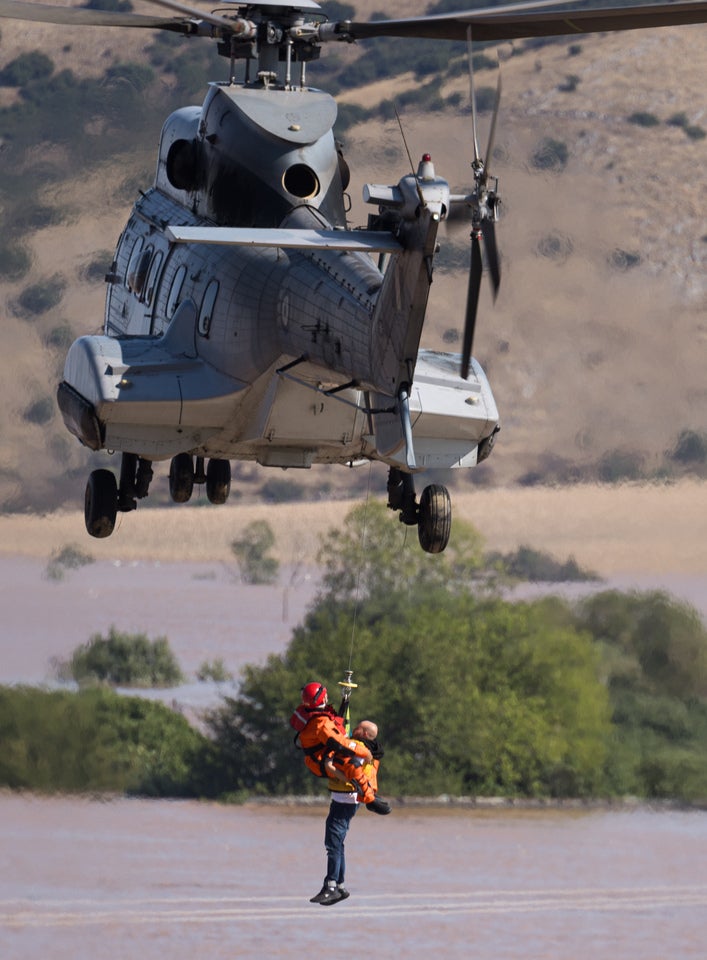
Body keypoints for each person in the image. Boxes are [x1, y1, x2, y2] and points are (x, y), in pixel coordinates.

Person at [309, 719, 388, 906]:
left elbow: (352, 774)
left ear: (366, 734)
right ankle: (340, 886)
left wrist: (331, 768)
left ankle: (331, 886)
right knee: (338, 843)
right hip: (344, 799)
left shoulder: (359, 749)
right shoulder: (361, 747)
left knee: (333, 843)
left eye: (359, 728)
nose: (355, 729)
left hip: (346, 799)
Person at [291, 681, 389, 810]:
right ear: (322, 698)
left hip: (328, 752)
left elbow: (335, 725)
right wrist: (365, 752)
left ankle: (372, 790)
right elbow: (340, 744)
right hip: (319, 760)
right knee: (353, 764)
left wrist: (345, 701)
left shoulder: (315, 713)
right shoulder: (321, 724)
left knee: (376, 753)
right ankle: (369, 800)